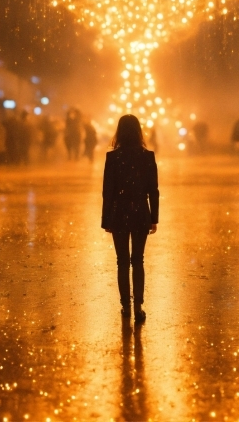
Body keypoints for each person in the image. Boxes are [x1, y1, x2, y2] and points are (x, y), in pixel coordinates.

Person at [102, 114, 159, 323]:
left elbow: (107, 191)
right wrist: (154, 217)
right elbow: (153, 190)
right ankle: (138, 307)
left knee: (122, 262)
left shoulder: (113, 158)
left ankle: (125, 306)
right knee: (138, 260)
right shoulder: (147, 156)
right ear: (138, 132)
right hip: (140, 213)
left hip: (118, 212)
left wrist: (106, 219)